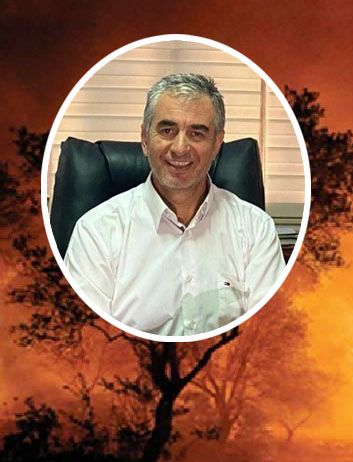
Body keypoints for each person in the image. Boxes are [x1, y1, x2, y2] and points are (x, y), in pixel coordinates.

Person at [63, 73, 285, 336]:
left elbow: (267, 335)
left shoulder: (256, 229)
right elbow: (89, 343)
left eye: (197, 133)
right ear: (145, 139)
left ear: (216, 144)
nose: (180, 148)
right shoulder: (96, 232)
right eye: (167, 130)